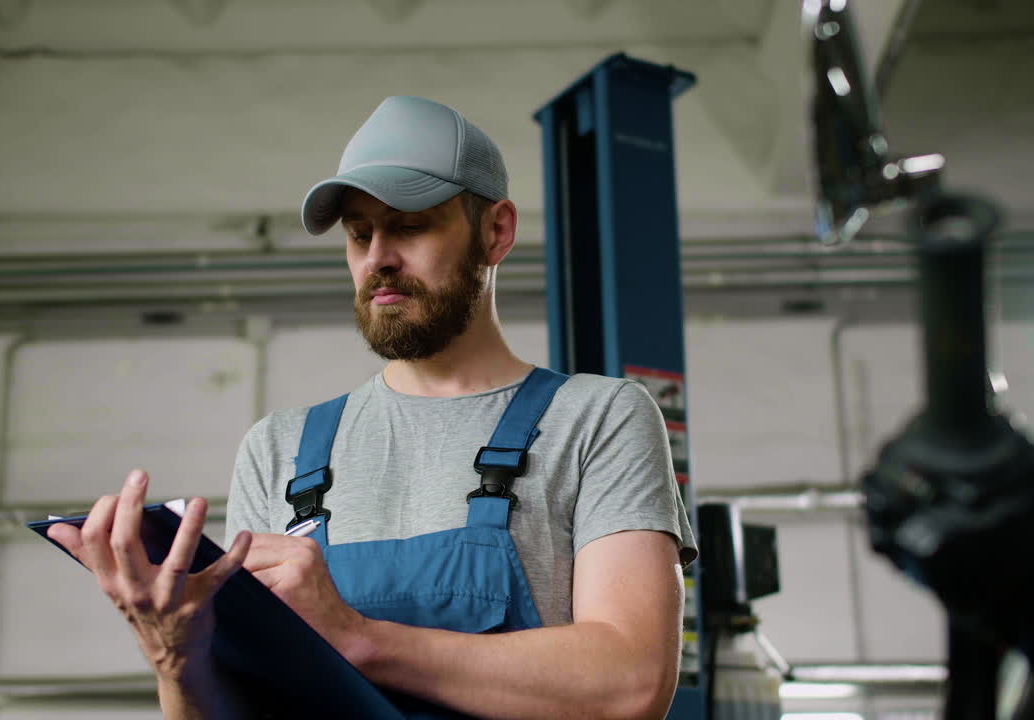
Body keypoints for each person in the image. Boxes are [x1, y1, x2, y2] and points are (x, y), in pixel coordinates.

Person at [49, 95, 697, 720]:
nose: (379, 259)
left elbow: (630, 681)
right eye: (360, 235)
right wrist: (177, 659)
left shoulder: (598, 418)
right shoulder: (281, 449)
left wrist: (358, 637)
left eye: (410, 227)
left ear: (496, 231)